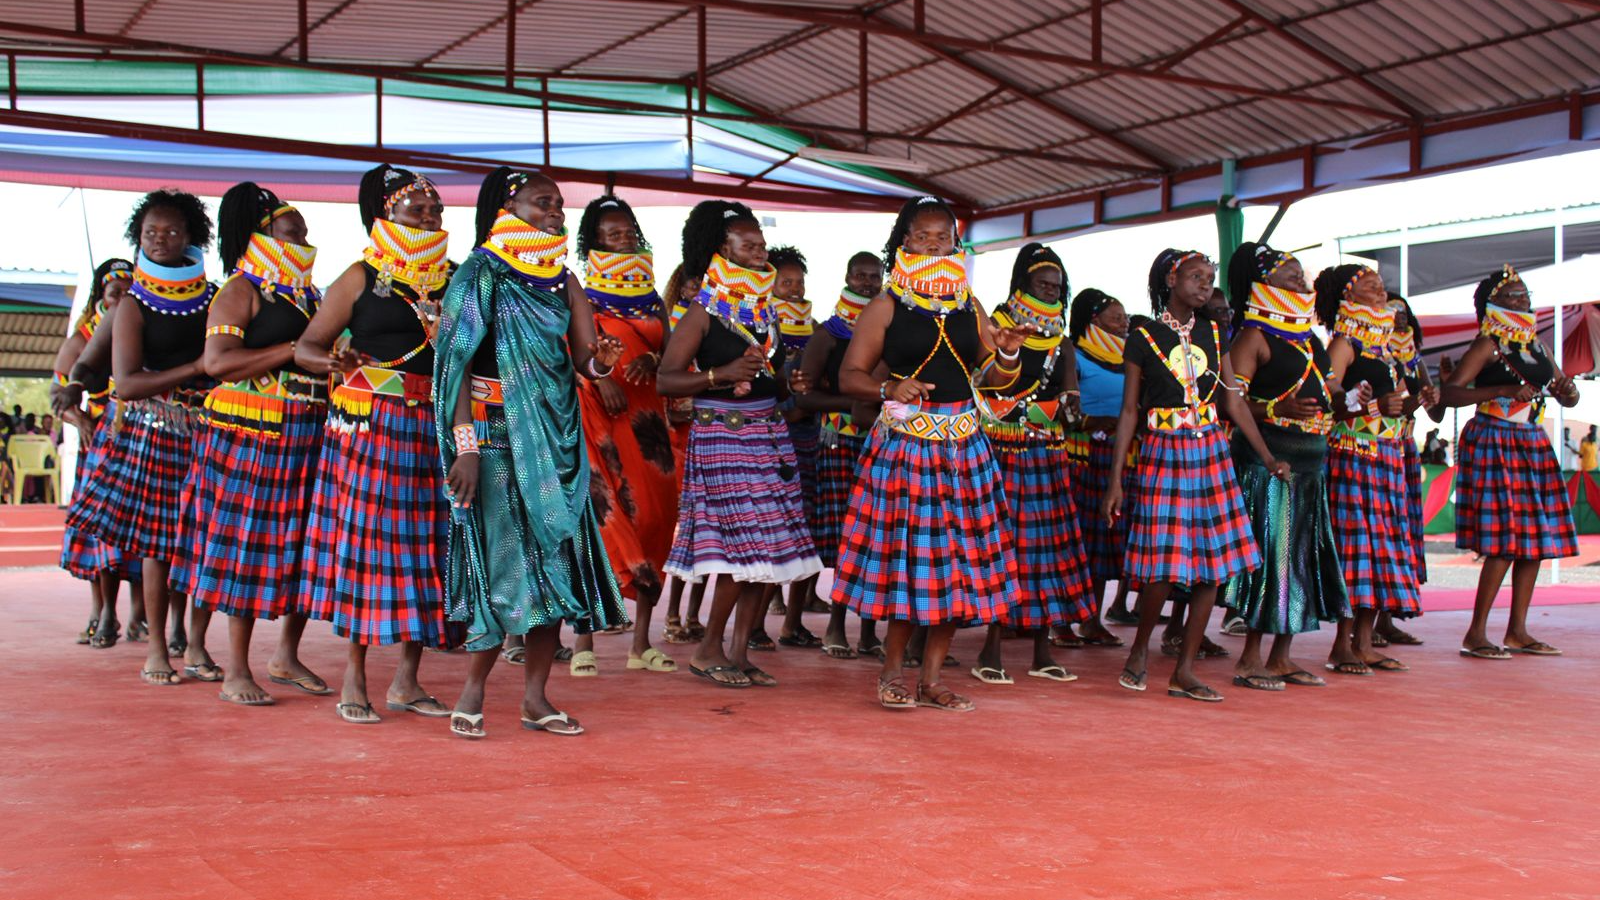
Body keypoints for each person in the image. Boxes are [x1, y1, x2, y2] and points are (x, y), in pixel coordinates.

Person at [436, 168, 628, 739]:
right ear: (507, 205)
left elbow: (583, 361)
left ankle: (537, 699)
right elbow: (456, 368)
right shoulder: (481, 271)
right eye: (543, 202)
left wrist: (605, 362)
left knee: (558, 569)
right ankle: (472, 691)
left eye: (559, 204)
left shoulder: (562, 278)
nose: (556, 212)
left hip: (557, 438)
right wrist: (464, 448)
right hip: (493, 438)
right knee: (506, 565)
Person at [833, 194, 1028, 712]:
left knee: (957, 566)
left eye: (943, 236)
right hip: (907, 450)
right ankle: (893, 673)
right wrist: (888, 390)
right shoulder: (886, 305)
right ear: (904, 242)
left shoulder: (969, 301)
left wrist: (1008, 351)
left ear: (957, 243)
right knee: (909, 564)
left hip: (965, 448)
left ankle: (932, 679)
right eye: (922, 236)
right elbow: (849, 375)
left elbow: (995, 377)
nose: (934, 244)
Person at [293, 164, 453, 724]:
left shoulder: (457, 278)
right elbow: (307, 347)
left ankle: (408, 681)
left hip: (435, 425)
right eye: (418, 209)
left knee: (433, 548)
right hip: (371, 426)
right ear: (386, 215)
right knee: (369, 547)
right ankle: (354, 677)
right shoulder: (359, 277)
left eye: (436, 209)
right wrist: (332, 360)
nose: (431, 216)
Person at [172, 182, 330, 706]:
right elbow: (217, 363)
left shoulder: (308, 293)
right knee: (246, 545)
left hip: (307, 428)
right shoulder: (242, 288)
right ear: (266, 231)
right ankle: (236, 668)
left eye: (305, 229)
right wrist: (293, 350)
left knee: (301, 544)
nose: (304, 235)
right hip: (251, 431)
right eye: (294, 227)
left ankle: (286, 654)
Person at [1102, 248, 1280, 703]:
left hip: (1211, 453)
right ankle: (1139, 650)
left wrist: (1266, 456)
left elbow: (1233, 401)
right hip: (1164, 451)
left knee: (1213, 564)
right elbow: (1128, 411)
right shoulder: (1143, 336)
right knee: (1165, 560)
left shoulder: (1215, 333)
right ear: (1170, 280)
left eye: (1209, 278)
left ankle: (1184, 668)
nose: (1205, 285)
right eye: (1196, 277)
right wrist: (1116, 478)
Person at [657, 200, 822, 689]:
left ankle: (739, 651)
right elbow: (667, 379)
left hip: (769, 437)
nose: (758, 251)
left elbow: (771, 377)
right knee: (741, 552)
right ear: (720, 251)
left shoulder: (764, 312)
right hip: (723, 437)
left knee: (769, 554)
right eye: (747, 245)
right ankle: (708, 650)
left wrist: (794, 385)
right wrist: (719, 375)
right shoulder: (702, 312)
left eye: (760, 244)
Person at [64, 188, 218, 685]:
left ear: (191, 237)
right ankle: (156, 648)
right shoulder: (132, 304)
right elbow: (120, 379)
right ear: (138, 235)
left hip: (207, 430)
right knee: (156, 544)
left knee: (201, 539)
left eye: (172, 232)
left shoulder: (214, 297)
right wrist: (71, 387)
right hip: (153, 430)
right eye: (151, 232)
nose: (160, 240)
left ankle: (193, 644)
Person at [1218, 242, 1349, 691]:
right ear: (1263, 284)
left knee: (1300, 560)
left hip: (1311, 464)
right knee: (1273, 560)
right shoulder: (1253, 336)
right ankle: (1250, 658)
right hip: (1269, 463)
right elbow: (1227, 404)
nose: (1301, 281)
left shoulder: (1309, 339)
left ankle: (1281, 657)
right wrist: (1278, 407)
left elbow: (1327, 396)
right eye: (1290, 274)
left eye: (1301, 274)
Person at [970, 243, 1096, 685]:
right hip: (999, 449)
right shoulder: (994, 326)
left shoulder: (1061, 338)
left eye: (1056, 285)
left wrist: (1070, 404)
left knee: (1047, 550)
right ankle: (990, 649)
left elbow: (1070, 389)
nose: (1050, 290)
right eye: (1042, 283)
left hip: (1045, 452)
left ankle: (1042, 652)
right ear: (1022, 283)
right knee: (1002, 547)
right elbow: (979, 379)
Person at [1439, 265, 1579, 658]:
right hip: (1495, 438)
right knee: (1504, 540)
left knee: (1533, 542)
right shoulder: (1488, 343)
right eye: (1513, 296)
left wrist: (1568, 393)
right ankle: (1476, 632)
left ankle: (1518, 630)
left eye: (1525, 295)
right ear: (1492, 305)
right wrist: (1500, 387)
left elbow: (1566, 393)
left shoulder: (1536, 345)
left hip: (1531, 440)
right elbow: (1449, 393)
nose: (1523, 301)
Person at [565, 192, 678, 676]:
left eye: (629, 230)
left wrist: (657, 359)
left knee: (654, 519)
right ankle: (584, 641)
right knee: (601, 520)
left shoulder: (653, 297)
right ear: (593, 241)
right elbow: (570, 353)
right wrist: (600, 378)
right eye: (613, 233)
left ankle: (641, 645)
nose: (624, 237)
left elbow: (672, 353)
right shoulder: (583, 295)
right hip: (600, 415)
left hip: (649, 420)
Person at [1317, 264, 1416, 675]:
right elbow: (1329, 397)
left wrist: (1417, 399)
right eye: (1370, 286)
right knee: (1355, 549)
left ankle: (1364, 642)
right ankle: (1342, 645)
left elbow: (1396, 403)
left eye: (1380, 285)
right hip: (1354, 454)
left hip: (1388, 455)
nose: (1380, 290)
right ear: (1347, 298)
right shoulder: (1345, 342)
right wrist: (1372, 405)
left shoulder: (1386, 346)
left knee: (1378, 549)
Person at [797, 251, 883, 660]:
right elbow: (804, 396)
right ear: (847, 277)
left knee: (873, 540)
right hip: (839, 441)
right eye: (861, 275)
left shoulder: (890, 326)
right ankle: (834, 626)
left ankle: (867, 634)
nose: (867, 282)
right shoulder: (828, 334)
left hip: (881, 439)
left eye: (874, 276)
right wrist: (853, 403)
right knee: (845, 538)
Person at [54, 258, 141, 648]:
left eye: (128, 292)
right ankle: (102, 610)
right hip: (101, 439)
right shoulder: (84, 338)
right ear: (100, 297)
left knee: (142, 527)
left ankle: (140, 614)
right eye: (113, 293)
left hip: (141, 434)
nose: (121, 299)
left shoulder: (143, 324)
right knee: (100, 529)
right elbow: (60, 394)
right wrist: (81, 421)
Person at [1063, 288, 1137, 639]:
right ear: (1094, 320)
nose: (1124, 323)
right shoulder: (1075, 355)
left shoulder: (1130, 357)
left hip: (1119, 456)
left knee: (1104, 541)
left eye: (1124, 317)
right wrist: (1095, 422)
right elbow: (1062, 410)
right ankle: (1060, 621)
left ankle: (1091, 619)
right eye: (1116, 317)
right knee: (1076, 540)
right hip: (1082, 456)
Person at [1375, 293, 1438, 649]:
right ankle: (1366, 622)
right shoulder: (1373, 350)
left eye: (1402, 311)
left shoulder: (1413, 354)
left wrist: (1433, 394)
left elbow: (1435, 413)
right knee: (1380, 534)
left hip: (1406, 446)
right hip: (1378, 446)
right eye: (1391, 310)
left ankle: (1386, 619)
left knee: (1401, 533)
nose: (1397, 317)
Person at [658, 263, 710, 647]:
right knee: (685, 532)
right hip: (676, 435)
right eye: (691, 282)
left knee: (706, 534)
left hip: (704, 430)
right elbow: (665, 377)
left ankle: (693, 613)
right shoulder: (673, 325)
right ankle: (673, 613)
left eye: (702, 283)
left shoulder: (716, 323)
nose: (696, 288)